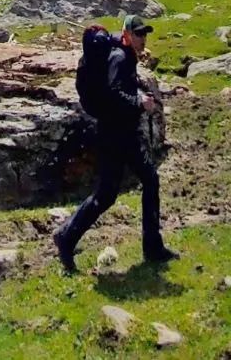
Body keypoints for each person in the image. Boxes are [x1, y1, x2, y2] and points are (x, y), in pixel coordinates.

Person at [53, 13, 178, 272]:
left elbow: (119, 89)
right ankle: (68, 239)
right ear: (127, 34)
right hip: (117, 133)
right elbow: (113, 91)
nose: (143, 38)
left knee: (113, 192)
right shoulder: (120, 57)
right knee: (126, 187)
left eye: (145, 33)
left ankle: (68, 237)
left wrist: (136, 95)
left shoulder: (122, 54)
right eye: (139, 33)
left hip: (118, 130)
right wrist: (138, 102)